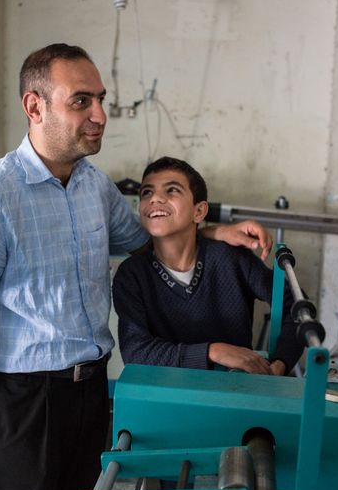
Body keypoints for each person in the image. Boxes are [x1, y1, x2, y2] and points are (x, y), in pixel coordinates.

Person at [0, 43, 273, 490]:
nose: (100, 114)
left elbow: (149, 236)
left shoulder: (92, 184)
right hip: (24, 401)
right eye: (81, 101)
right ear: (34, 106)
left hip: (91, 390)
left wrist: (215, 231)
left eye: (99, 99)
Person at [112, 156, 303, 375]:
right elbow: (136, 352)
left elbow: (296, 304)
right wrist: (212, 351)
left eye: (172, 190)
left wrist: (280, 363)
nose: (155, 198)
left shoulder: (230, 257)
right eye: (147, 192)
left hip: (232, 394)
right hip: (165, 400)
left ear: (199, 212)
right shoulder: (132, 275)